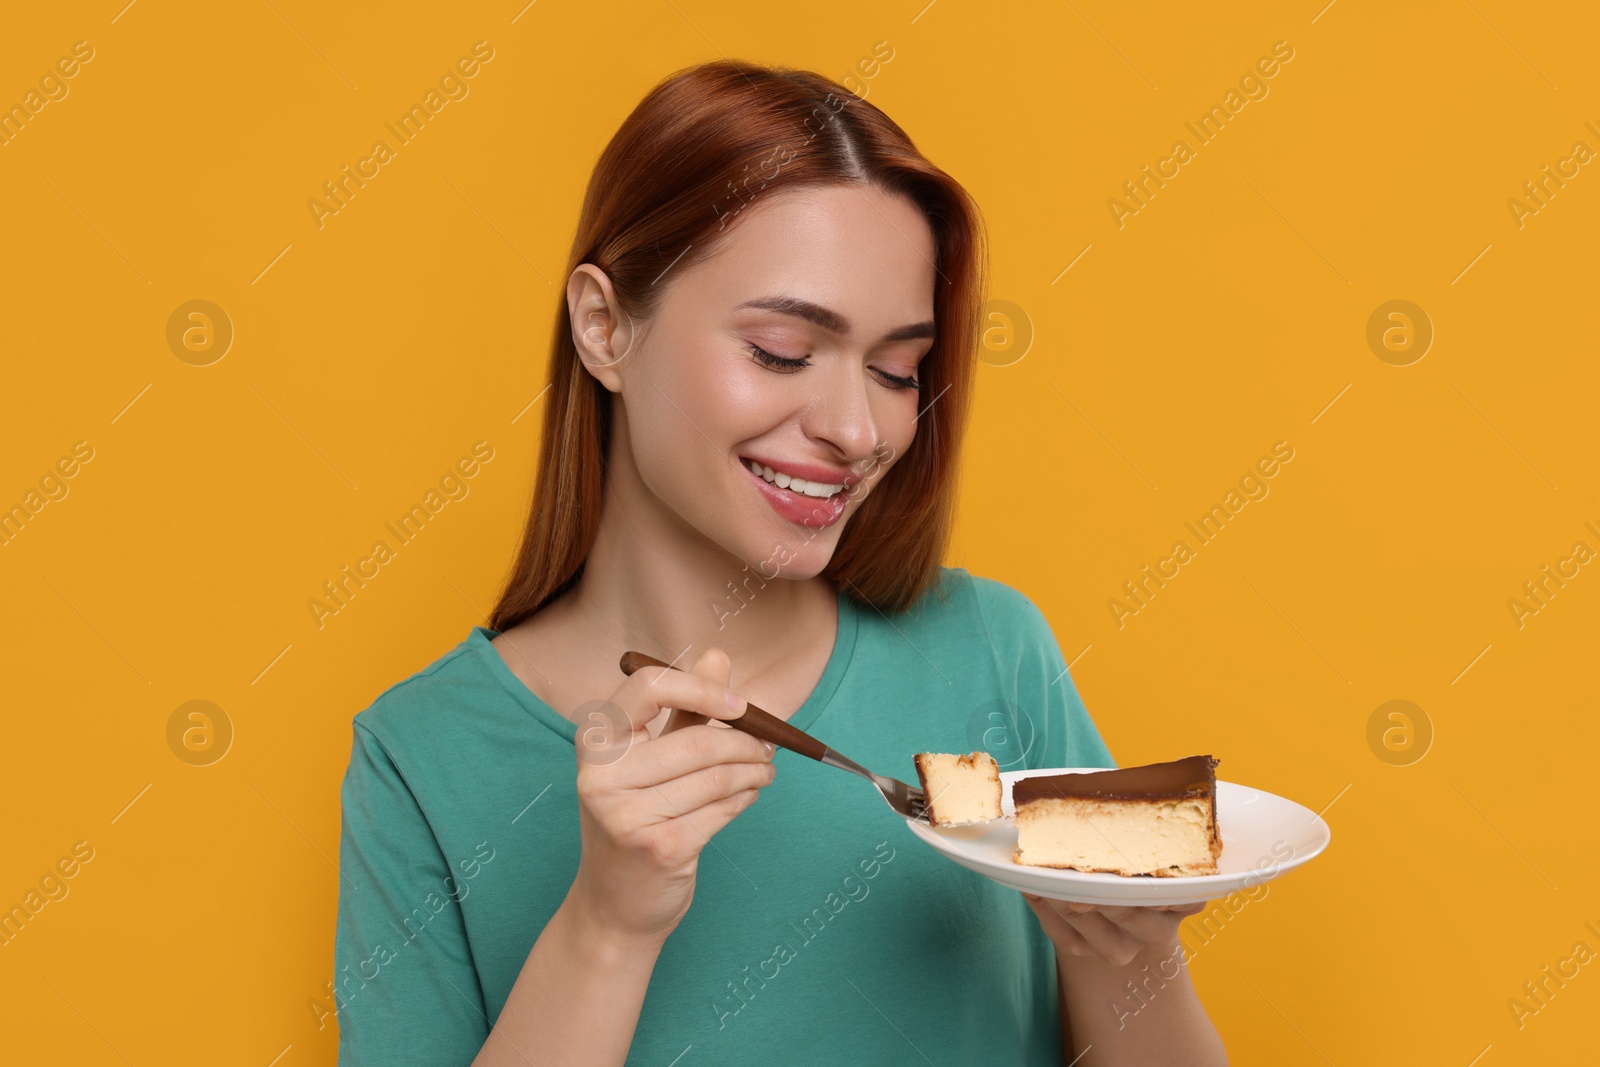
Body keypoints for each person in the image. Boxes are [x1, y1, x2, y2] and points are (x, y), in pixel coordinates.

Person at [332, 58, 1228, 1066]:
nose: (857, 427)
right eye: (781, 350)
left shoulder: (993, 653)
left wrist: (1124, 953)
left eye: (896, 369)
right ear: (604, 327)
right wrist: (607, 925)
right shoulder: (421, 758)